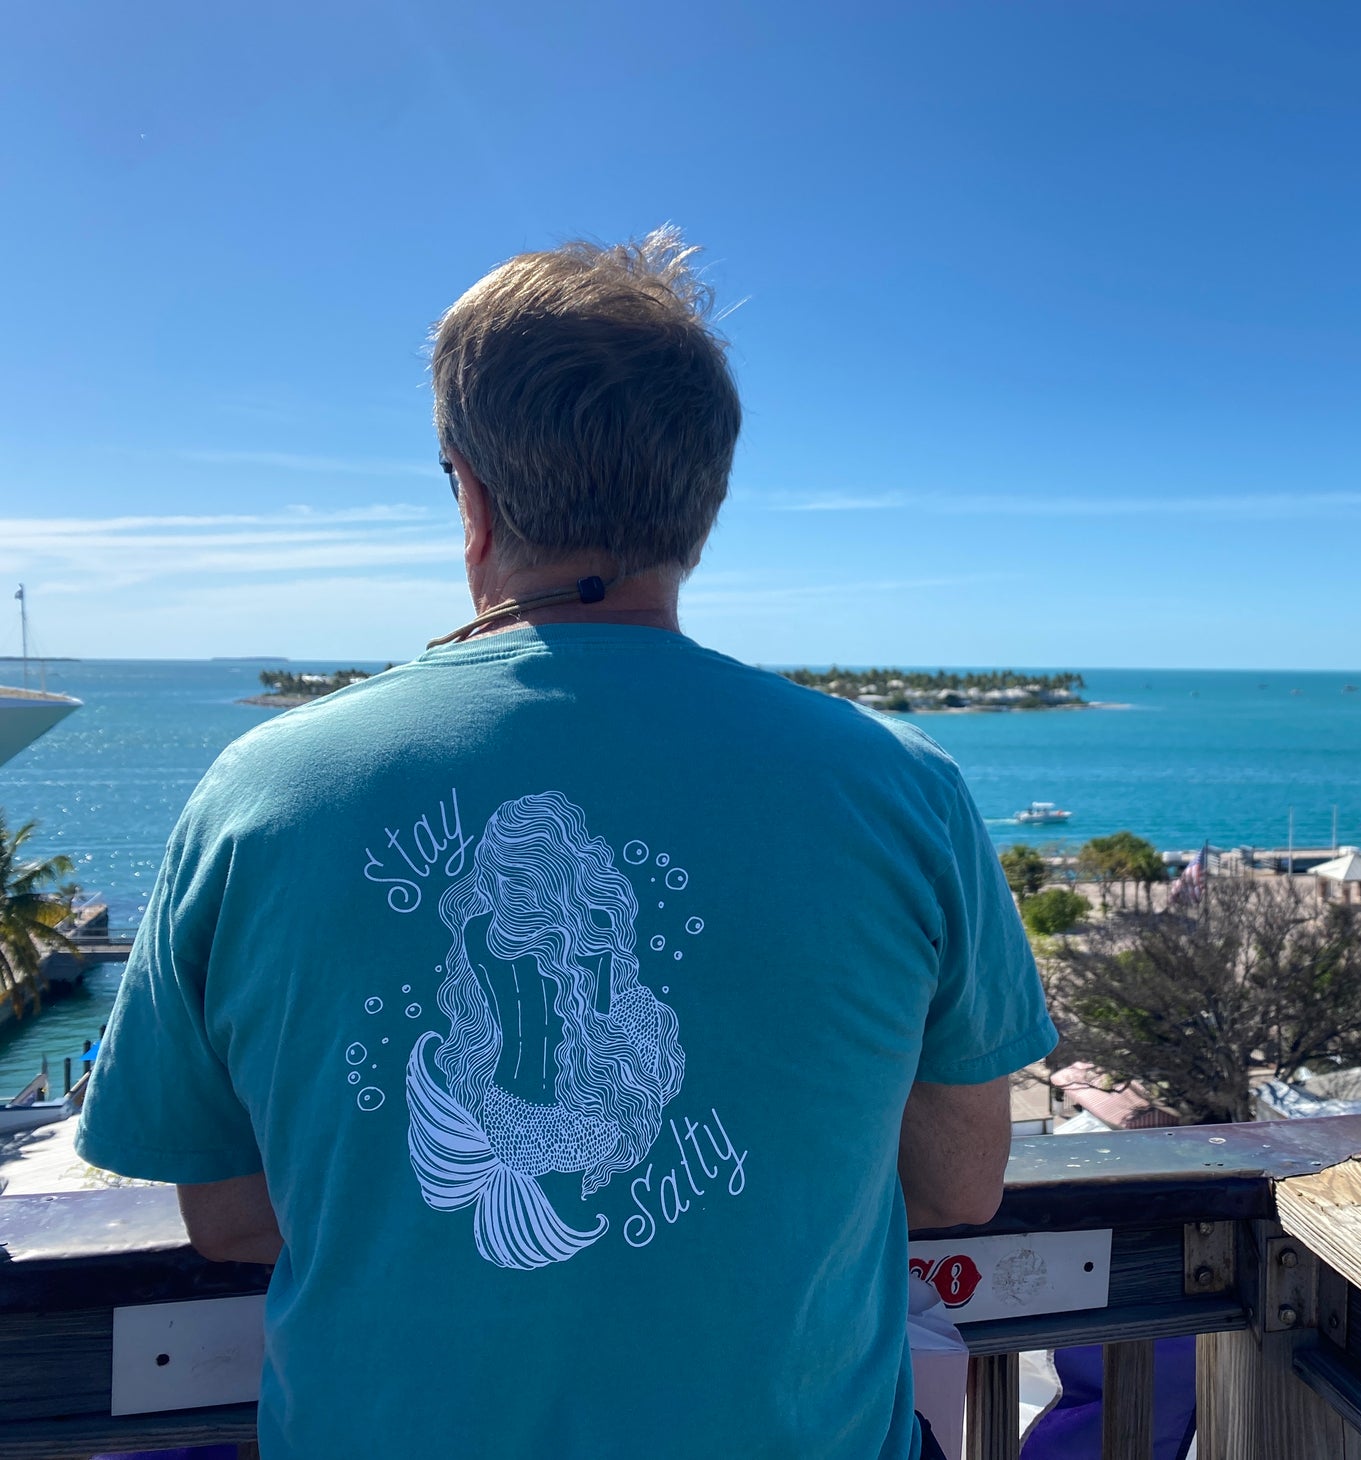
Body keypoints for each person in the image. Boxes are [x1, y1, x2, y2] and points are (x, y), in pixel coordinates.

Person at [76, 231, 1056, 1460]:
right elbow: (959, 1186)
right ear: (699, 508)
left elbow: (227, 1214)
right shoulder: (900, 786)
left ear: (470, 496)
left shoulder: (257, 793)